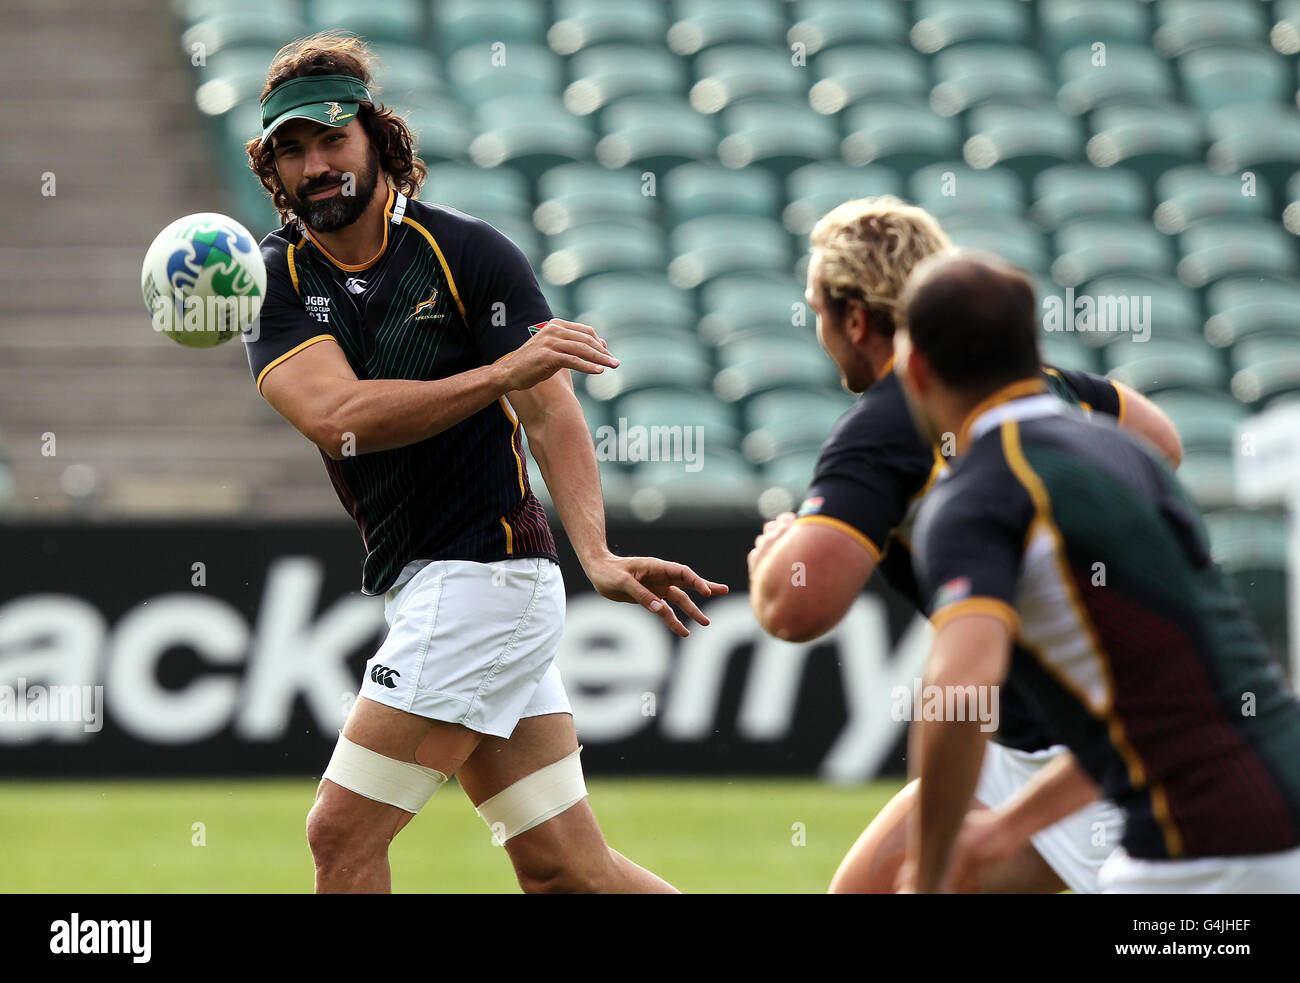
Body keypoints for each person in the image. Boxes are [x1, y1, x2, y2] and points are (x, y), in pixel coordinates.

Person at [241, 33, 726, 894]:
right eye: (292, 151)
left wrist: (598, 554)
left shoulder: (466, 252)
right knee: (566, 869)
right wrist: (500, 372)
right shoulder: (272, 279)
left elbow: (549, 408)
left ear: (376, 139)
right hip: (435, 581)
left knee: (339, 833)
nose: (315, 165)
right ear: (272, 170)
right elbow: (340, 417)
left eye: (330, 139)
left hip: (486, 580)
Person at [746, 197, 1182, 893]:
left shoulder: (886, 424)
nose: (818, 328)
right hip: (1038, 736)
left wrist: (774, 558)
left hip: (1082, 746)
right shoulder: (1040, 387)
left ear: (855, 318)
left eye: (817, 309)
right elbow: (1162, 441)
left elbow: (798, 608)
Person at [894, 251, 1300, 893]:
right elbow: (1161, 706)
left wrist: (930, 871)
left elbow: (961, 690)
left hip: (1209, 850)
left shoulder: (976, 494)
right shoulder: (1126, 454)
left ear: (914, 368)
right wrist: (1002, 831)